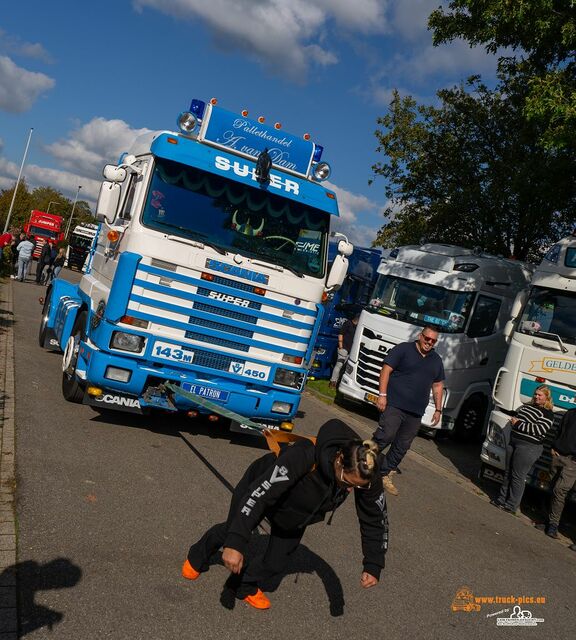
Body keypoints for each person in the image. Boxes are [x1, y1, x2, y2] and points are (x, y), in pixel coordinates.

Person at [182, 418, 388, 610]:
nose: (350, 490)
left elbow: (374, 519)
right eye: (346, 482)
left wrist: (373, 562)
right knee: (232, 530)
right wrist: (235, 543)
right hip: (262, 488)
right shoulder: (304, 456)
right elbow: (259, 496)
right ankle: (197, 556)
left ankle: (244, 585)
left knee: (276, 562)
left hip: (296, 511)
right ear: (340, 459)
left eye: (357, 487)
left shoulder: (367, 473)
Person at [372, 326, 445, 496]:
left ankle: (384, 474)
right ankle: (361, 460)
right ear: (421, 336)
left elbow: (438, 385)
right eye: (427, 338)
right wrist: (382, 395)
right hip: (395, 404)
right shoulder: (404, 349)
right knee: (386, 435)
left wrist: (438, 409)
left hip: (416, 411)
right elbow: (386, 370)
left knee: (402, 445)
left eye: (433, 341)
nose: (429, 343)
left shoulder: (436, 360)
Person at [491, 385, 555, 515]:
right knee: (508, 472)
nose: (536, 397)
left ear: (547, 398)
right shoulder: (527, 407)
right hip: (514, 442)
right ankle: (501, 499)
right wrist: (515, 422)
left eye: (540, 395)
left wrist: (518, 424)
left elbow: (539, 430)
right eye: (535, 394)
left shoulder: (548, 413)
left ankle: (511, 505)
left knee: (518, 476)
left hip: (529, 447)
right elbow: (521, 421)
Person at [536, 408, 576, 539]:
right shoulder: (570, 413)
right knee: (552, 488)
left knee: (560, 490)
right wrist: (553, 446)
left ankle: (553, 525)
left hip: (572, 461)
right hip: (558, 455)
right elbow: (559, 431)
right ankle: (547, 521)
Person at [329, 313, 360, 389]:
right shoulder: (348, 323)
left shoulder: (358, 327)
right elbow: (341, 334)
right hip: (343, 348)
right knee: (339, 365)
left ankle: (338, 382)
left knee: (343, 367)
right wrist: (341, 346)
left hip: (350, 350)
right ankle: (333, 382)